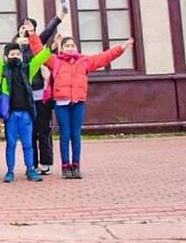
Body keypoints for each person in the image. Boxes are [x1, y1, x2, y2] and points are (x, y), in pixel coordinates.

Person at [28, 16, 135, 179]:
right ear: (62, 48)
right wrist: (32, 34)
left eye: (72, 45)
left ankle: (75, 165)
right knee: (65, 135)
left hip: (78, 102)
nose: (70, 48)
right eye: (67, 46)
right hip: (61, 103)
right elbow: (38, 52)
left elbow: (104, 57)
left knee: (76, 134)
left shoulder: (85, 61)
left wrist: (122, 48)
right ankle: (65, 166)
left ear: (76, 47)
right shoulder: (55, 61)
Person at [0, 23, 52, 183]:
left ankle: (30, 170)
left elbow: (41, 57)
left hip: (26, 114)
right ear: (7, 57)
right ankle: (10, 171)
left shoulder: (28, 68)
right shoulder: (2, 70)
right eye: (12, 54)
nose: (15, 56)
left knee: (28, 145)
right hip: (11, 115)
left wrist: (52, 48)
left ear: (21, 56)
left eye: (18, 54)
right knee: (11, 145)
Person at [14, 0, 67, 174]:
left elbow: (49, 31)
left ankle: (46, 162)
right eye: (23, 27)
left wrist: (60, 16)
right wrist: (19, 42)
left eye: (30, 28)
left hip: (39, 94)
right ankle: (33, 164)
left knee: (43, 130)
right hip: (22, 96)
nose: (26, 30)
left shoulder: (36, 43)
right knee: (29, 132)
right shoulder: (14, 47)